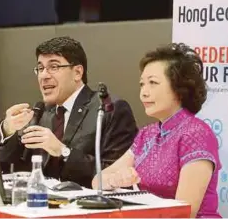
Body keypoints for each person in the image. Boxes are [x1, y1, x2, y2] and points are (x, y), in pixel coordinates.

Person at [92, 43, 221, 218]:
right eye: (142, 84)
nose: (144, 93)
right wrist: (114, 180)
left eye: (153, 83)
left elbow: (184, 213)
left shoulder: (196, 134)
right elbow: (97, 181)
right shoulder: (147, 134)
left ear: (179, 89)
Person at [0, 36, 138, 188]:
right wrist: (7, 130)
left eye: (54, 67)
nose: (44, 75)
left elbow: (115, 174)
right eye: (40, 68)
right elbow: (11, 164)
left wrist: (63, 151)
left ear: (77, 72)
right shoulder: (42, 111)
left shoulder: (108, 109)